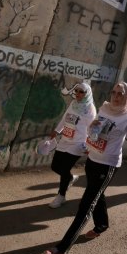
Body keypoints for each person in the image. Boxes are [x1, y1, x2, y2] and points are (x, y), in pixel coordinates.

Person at [44, 82, 127, 254]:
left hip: (108, 165)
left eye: (120, 94)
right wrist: (91, 136)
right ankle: (101, 225)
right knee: (98, 193)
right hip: (92, 160)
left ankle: (62, 248)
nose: (115, 96)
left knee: (86, 204)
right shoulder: (104, 108)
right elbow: (94, 129)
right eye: (113, 92)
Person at [47, 81, 96, 209]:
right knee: (55, 166)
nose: (78, 94)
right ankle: (70, 178)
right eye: (76, 91)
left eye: (81, 91)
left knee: (64, 168)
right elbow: (65, 118)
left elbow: (92, 128)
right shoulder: (74, 103)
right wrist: (57, 131)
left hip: (78, 143)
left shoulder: (90, 108)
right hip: (65, 140)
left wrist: (89, 144)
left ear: (87, 94)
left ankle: (61, 196)